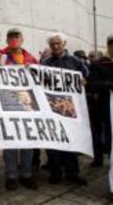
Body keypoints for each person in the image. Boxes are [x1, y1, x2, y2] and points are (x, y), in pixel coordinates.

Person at [0, 28, 38, 191]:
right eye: (11, 37)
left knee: (28, 141)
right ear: (6, 40)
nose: (14, 39)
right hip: (7, 104)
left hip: (27, 105)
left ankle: (26, 174)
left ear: (22, 39)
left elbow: (40, 80)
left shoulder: (31, 59)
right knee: (10, 142)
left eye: (16, 37)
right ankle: (11, 176)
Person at [41, 32, 88, 185]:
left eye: (58, 43)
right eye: (52, 44)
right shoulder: (45, 63)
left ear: (64, 44)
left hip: (70, 109)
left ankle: (72, 173)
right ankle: (55, 173)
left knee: (71, 141)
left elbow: (88, 75)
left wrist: (84, 80)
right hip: (51, 108)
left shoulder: (75, 61)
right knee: (53, 142)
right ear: (49, 46)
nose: (55, 46)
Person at [88, 35, 113, 168]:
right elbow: (91, 84)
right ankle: (98, 158)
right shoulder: (98, 64)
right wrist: (107, 84)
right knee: (97, 131)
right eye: (111, 44)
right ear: (108, 45)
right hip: (100, 104)